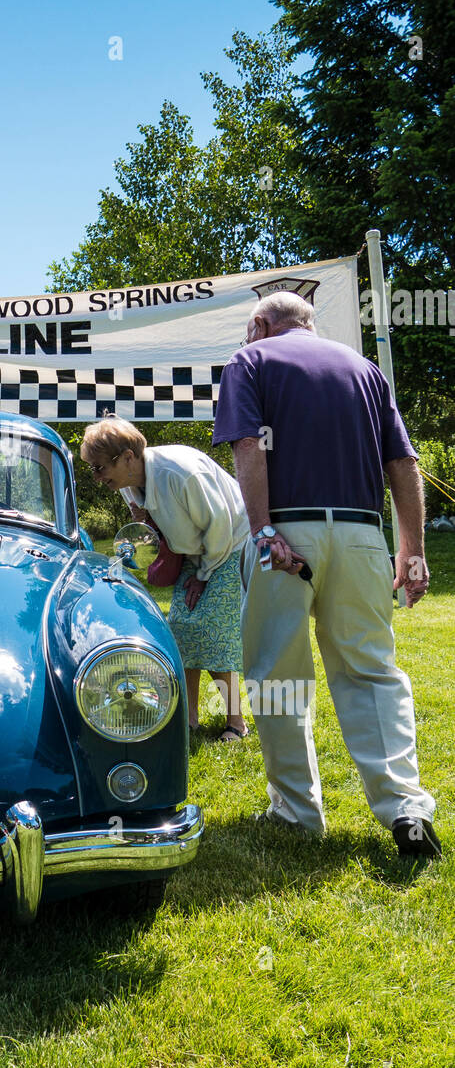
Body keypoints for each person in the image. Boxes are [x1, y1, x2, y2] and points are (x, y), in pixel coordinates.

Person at [212, 290, 439, 857]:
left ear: (260, 324)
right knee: (373, 671)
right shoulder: (365, 370)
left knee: (278, 675)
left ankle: (296, 812)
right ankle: (406, 808)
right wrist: (411, 550)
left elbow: (248, 445)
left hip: (287, 532)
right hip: (363, 535)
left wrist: (262, 530)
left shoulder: (250, 360)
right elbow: (403, 462)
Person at [81, 417, 250, 739]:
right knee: (182, 631)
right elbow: (157, 530)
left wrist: (203, 575)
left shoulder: (181, 473)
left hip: (230, 546)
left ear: (128, 457)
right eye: (93, 469)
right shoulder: (127, 482)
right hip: (195, 551)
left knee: (212, 632)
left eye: (100, 468)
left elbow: (220, 527)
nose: (97, 477)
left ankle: (236, 723)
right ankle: (189, 719)